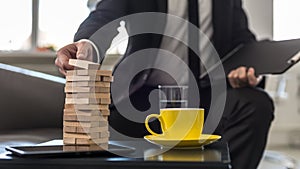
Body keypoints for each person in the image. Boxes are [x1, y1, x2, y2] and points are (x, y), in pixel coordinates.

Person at [56, 0, 274, 169]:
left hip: (208, 95)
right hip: (144, 97)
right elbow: (106, 14)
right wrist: (88, 45)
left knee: (256, 104)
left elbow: (241, 39)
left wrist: (249, 68)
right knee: (105, 139)